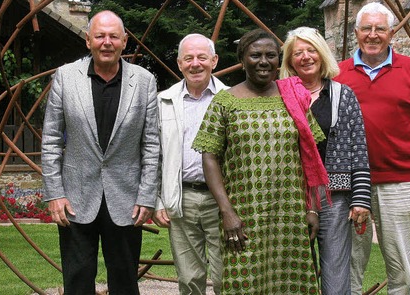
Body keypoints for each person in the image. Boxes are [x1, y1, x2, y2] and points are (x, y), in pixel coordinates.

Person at [192, 28, 327, 294]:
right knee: (244, 282)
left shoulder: (294, 97)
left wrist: (312, 209)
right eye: (255, 55)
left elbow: (309, 156)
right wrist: (227, 212)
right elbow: (209, 157)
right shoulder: (225, 102)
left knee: (291, 283)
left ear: (279, 60)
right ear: (242, 59)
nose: (263, 61)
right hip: (244, 215)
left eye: (270, 55)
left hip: (290, 215)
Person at [41, 10, 160, 295]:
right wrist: (55, 193)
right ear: (88, 41)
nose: (106, 42)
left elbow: (152, 143)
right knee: (77, 279)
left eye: (113, 36)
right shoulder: (66, 77)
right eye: (100, 36)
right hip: (76, 197)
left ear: (124, 41)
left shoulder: (144, 81)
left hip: (127, 199)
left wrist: (147, 195)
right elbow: (51, 140)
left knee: (125, 280)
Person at [335, 2, 410, 294]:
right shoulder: (338, 75)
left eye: (380, 29)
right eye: (366, 28)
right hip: (348, 184)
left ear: (392, 33)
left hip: (400, 183)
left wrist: (402, 140)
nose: (373, 35)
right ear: (356, 32)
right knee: (347, 267)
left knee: (401, 271)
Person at [279, 26, 371, 295]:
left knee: (335, 273)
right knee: (294, 272)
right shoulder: (279, 95)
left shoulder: (343, 95)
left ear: (322, 55)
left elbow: (359, 148)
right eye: (298, 53)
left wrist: (361, 198)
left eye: (311, 50)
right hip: (292, 195)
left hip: (335, 195)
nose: (305, 57)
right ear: (289, 60)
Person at [154, 33, 229, 294]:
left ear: (214, 61)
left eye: (202, 57)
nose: (195, 64)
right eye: (188, 58)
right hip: (181, 199)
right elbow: (154, 154)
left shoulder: (232, 99)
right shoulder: (163, 101)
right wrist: (158, 200)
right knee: (188, 279)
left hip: (222, 201)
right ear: (179, 63)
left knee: (225, 277)